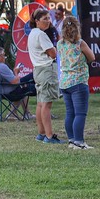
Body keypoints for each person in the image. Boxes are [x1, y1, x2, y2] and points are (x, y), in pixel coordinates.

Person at [58, 16, 95, 150]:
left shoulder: (60, 44)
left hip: (64, 82)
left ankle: (72, 140)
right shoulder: (80, 43)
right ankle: (79, 142)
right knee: (80, 114)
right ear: (77, 27)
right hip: (79, 82)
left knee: (70, 113)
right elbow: (92, 57)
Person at [29, 8, 62, 144]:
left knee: (40, 103)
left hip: (38, 69)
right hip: (47, 69)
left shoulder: (32, 33)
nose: (48, 21)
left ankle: (41, 133)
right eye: (45, 19)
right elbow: (53, 53)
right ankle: (49, 136)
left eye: (49, 18)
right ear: (37, 21)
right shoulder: (42, 35)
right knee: (47, 104)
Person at [0, 46, 37, 117]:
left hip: (0, 91)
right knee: (37, 86)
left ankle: (19, 114)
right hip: (11, 92)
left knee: (32, 76)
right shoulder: (1, 67)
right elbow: (15, 82)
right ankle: (42, 111)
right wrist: (16, 72)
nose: (5, 57)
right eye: (4, 55)